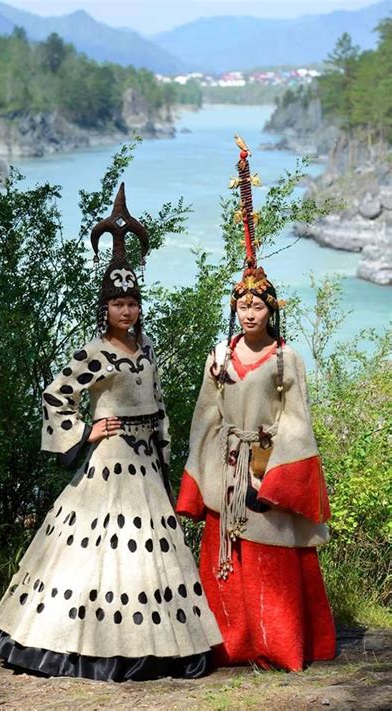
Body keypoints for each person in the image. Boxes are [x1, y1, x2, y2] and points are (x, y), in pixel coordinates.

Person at [0, 184, 222, 682]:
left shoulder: (148, 351)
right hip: (109, 460)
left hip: (144, 464)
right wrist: (86, 429)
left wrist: (164, 452)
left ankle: (157, 645)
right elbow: (56, 395)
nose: (127, 311)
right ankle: (83, 645)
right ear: (105, 308)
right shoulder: (94, 352)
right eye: (118, 304)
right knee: (97, 551)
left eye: (133, 303)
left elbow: (158, 405)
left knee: (151, 554)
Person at [176, 137, 336, 672]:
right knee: (228, 561)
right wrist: (206, 474)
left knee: (272, 557)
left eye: (257, 304)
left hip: (267, 465)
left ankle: (280, 643)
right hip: (227, 465)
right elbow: (206, 415)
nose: (249, 313)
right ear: (235, 310)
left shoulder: (286, 359)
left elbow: (298, 420)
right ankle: (233, 644)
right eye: (241, 305)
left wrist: (274, 475)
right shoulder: (219, 357)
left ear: (271, 308)